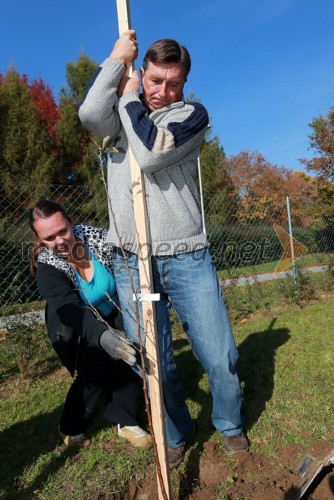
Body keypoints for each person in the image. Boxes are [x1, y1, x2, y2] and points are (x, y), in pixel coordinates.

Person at [79, 31, 248, 467]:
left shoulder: (191, 114)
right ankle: (176, 431)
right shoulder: (122, 111)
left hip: (186, 254)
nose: (162, 91)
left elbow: (152, 152)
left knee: (220, 353)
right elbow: (90, 112)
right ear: (143, 74)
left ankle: (229, 424)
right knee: (154, 362)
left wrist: (132, 98)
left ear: (183, 84)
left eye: (172, 83)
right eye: (155, 81)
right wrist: (116, 62)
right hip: (132, 262)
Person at [29, 199, 151, 449]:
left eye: (63, 231)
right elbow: (70, 310)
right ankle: (70, 425)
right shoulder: (47, 269)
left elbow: (132, 275)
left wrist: (151, 300)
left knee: (129, 361)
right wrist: (103, 337)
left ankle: (125, 420)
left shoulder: (99, 239)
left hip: (117, 309)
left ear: (71, 222)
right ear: (40, 240)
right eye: (50, 237)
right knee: (94, 373)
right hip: (78, 324)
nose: (60, 241)